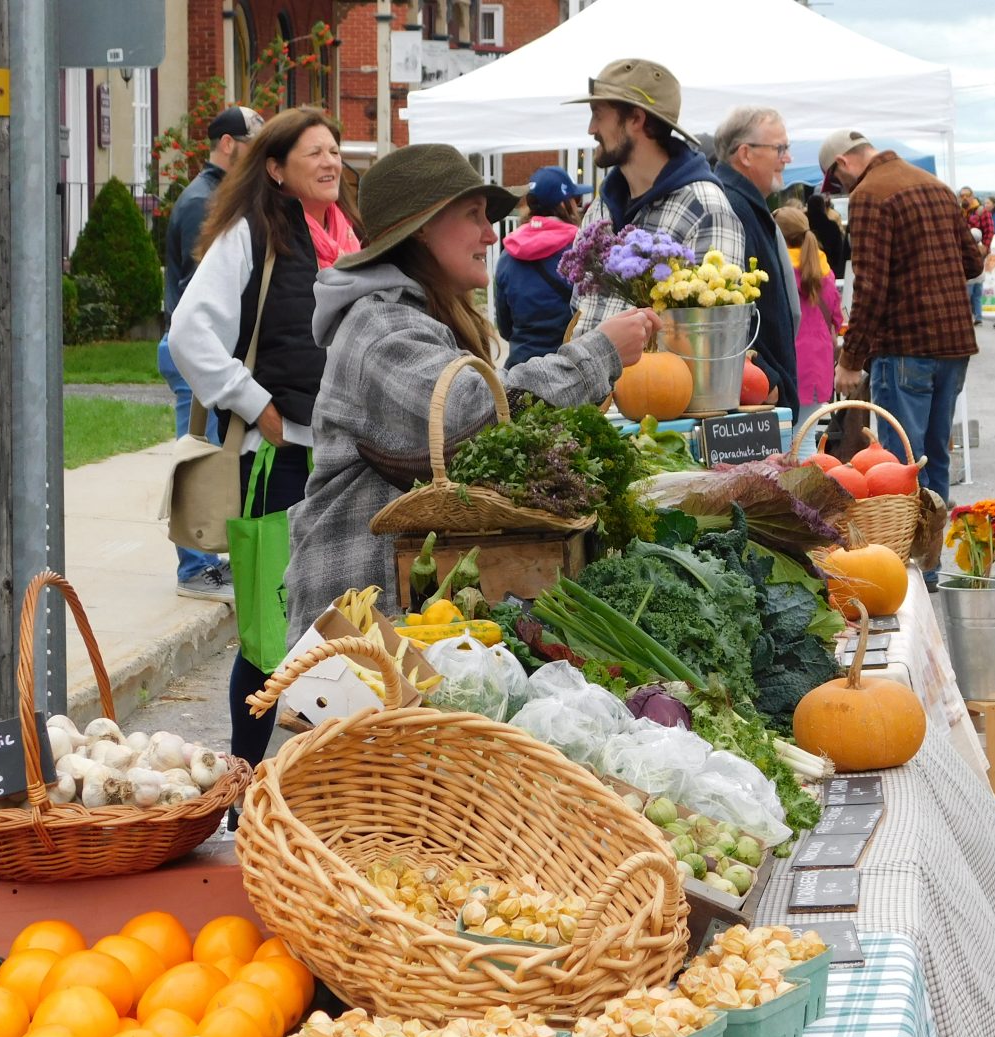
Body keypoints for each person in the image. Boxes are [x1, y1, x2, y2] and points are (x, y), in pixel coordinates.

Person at [284, 144, 660, 640]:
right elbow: (473, 412)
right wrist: (597, 354)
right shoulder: (378, 328)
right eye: (472, 216)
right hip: (356, 622)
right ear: (421, 227)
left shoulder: (426, 316)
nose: (489, 234)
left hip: (401, 616)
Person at [168, 106, 360, 766]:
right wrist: (258, 407)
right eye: (314, 152)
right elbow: (189, 333)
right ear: (275, 169)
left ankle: (323, 785)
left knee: (342, 632)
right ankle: (244, 785)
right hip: (275, 459)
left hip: (346, 459)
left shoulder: (350, 236)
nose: (331, 162)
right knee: (266, 633)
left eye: (335, 150)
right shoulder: (252, 234)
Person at [825, 130, 982, 589]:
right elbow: (972, 263)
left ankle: (901, 574)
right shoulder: (936, 186)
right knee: (931, 460)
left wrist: (851, 359)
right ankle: (927, 568)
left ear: (842, 163)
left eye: (837, 181)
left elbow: (870, 288)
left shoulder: (869, 195)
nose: (842, 191)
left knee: (897, 465)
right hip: (953, 344)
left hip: (905, 345)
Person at [160, 105, 263, 602]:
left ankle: (206, 559)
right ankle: (195, 567)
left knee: (212, 450)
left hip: (204, 350)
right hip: (193, 351)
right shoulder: (206, 201)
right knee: (200, 455)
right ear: (228, 143)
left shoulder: (211, 195)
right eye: (252, 142)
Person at [566, 59, 742, 334]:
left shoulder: (705, 209)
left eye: (598, 114)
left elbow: (714, 339)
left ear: (636, 119)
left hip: (660, 378)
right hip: (584, 376)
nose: (591, 129)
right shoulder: (600, 209)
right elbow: (579, 310)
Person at [713, 106, 799, 408]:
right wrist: (766, 378)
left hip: (761, 396)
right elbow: (723, 309)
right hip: (755, 401)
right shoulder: (733, 207)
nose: (787, 158)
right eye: (780, 149)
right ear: (746, 154)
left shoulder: (745, 204)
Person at [494, 166, 592, 368]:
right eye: (576, 200)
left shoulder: (508, 253)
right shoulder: (580, 250)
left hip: (519, 372)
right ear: (565, 205)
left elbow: (504, 328)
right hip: (569, 370)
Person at [774, 205, 842, 415]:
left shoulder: (777, 271)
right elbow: (837, 319)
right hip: (819, 365)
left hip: (789, 363)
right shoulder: (824, 270)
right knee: (808, 434)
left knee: (792, 438)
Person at [960, 187, 993, 325]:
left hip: (978, 253)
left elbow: (989, 231)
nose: (964, 198)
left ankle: (976, 316)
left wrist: (984, 247)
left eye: (967, 195)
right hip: (962, 253)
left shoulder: (981, 211)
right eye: (961, 196)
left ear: (972, 196)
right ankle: (971, 315)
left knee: (975, 286)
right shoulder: (959, 211)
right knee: (968, 286)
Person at [807, 191, 850, 278]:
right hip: (830, 271)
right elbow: (839, 253)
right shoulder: (832, 226)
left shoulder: (804, 226)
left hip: (808, 272)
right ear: (823, 207)